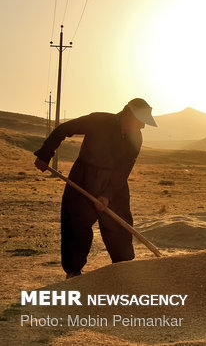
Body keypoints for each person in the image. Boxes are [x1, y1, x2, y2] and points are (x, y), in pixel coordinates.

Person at [34, 98, 157, 279]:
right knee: (76, 226)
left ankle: (123, 270)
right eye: (141, 121)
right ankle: (73, 273)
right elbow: (63, 129)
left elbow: (124, 169)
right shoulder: (98, 121)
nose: (143, 126)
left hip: (115, 184)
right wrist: (45, 155)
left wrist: (107, 195)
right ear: (129, 115)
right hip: (83, 178)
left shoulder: (136, 137)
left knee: (119, 227)